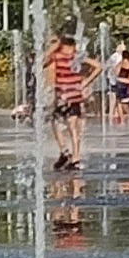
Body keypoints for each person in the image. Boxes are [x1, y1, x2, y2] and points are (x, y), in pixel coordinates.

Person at [44, 25, 100, 169]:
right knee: (73, 128)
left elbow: (43, 61)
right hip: (75, 96)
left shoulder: (57, 56)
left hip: (63, 96)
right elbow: (99, 66)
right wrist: (86, 82)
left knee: (56, 122)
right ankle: (75, 158)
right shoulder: (77, 57)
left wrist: (54, 47)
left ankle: (64, 151)